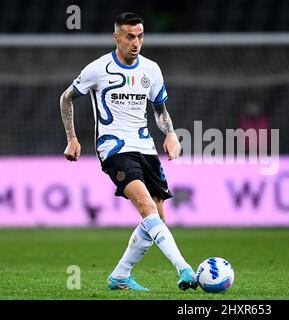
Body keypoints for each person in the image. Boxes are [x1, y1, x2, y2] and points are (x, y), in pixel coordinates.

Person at [59, 12, 198, 292]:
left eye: (140, 36)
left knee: (157, 216)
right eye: (130, 36)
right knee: (147, 207)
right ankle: (185, 269)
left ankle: (120, 275)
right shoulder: (98, 69)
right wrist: (72, 138)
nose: (136, 43)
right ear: (117, 38)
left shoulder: (152, 70)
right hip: (114, 149)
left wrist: (170, 133)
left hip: (146, 148)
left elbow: (160, 110)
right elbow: (66, 98)